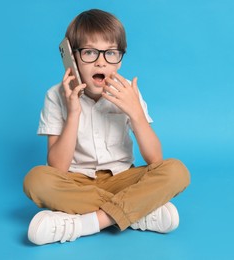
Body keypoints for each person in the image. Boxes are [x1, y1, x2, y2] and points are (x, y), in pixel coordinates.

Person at [23, 9, 190, 246]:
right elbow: (57, 168)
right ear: (72, 57)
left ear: (120, 59)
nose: (101, 61)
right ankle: (136, 211)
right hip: (75, 182)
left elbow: (155, 159)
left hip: (123, 178)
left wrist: (136, 113)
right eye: (90, 52)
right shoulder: (56, 96)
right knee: (36, 180)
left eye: (111, 53)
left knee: (176, 170)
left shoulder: (128, 94)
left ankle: (84, 224)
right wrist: (73, 114)